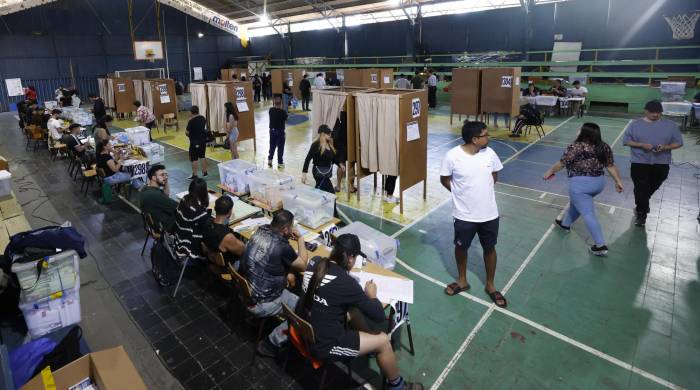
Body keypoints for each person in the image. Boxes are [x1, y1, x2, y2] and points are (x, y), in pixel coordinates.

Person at [298, 234, 424, 390]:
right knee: (384, 341)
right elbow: (378, 316)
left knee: (352, 310)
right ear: (350, 258)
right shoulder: (346, 283)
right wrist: (372, 295)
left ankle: (369, 346)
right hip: (324, 345)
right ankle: (397, 385)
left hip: (306, 327)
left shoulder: (316, 261)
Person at [440, 121, 506, 307]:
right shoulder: (452, 156)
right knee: (461, 247)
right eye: (486, 135)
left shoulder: (490, 153)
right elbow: (444, 179)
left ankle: (490, 285)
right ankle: (462, 281)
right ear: (475, 139)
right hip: (463, 215)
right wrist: (460, 194)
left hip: (489, 214)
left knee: (490, 248)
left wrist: (482, 194)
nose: (489, 138)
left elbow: (494, 176)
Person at [543, 123, 624, 256]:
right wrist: (618, 181)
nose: (578, 130)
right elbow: (610, 166)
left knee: (587, 212)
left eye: (580, 129)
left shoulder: (576, 146)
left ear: (584, 133)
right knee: (577, 204)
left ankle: (600, 245)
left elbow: (562, 163)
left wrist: (550, 171)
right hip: (598, 184)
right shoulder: (604, 146)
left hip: (580, 185)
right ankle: (565, 224)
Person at [240, 210, 309, 357]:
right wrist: (301, 240)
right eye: (291, 227)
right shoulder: (282, 247)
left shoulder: (261, 230)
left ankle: (255, 320)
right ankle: (271, 343)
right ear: (285, 229)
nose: (291, 230)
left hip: (248, 292)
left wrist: (289, 271)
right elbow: (303, 264)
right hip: (263, 301)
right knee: (303, 310)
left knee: (290, 277)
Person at [622, 100, 683, 226]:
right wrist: (641, 145)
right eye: (652, 112)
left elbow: (678, 142)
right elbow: (626, 141)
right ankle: (641, 214)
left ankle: (643, 203)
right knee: (640, 188)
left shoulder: (671, 125)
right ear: (646, 111)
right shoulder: (635, 125)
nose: (655, 115)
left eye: (658, 113)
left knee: (653, 186)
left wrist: (665, 147)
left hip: (661, 162)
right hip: (639, 162)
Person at [174, 177, 210, 260]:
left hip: (179, 236)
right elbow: (206, 226)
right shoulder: (198, 211)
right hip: (189, 243)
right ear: (203, 192)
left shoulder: (185, 198)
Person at [203, 196, 245, 266]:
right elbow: (243, 251)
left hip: (211, 261)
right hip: (227, 268)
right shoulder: (227, 236)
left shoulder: (206, 223)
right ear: (229, 212)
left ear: (215, 209)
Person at [140, 164, 178, 232]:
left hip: (156, 220)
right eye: (162, 175)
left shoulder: (146, 188)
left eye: (166, 175)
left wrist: (165, 181)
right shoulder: (155, 195)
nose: (165, 177)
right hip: (165, 226)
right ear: (153, 177)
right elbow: (177, 207)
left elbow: (166, 196)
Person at [302, 125, 336, 194]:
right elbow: (307, 159)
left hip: (326, 173)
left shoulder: (329, 144)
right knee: (331, 193)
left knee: (321, 193)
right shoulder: (315, 145)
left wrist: (340, 164)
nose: (330, 135)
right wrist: (304, 174)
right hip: (318, 172)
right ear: (323, 134)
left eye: (330, 133)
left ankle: (315, 202)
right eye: (328, 133)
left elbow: (333, 158)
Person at [332, 112, 355, 193]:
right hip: (351, 141)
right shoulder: (352, 112)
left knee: (341, 163)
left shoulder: (338, 109)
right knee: (351, 164)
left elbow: (334, 130)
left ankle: (338, 186)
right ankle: (351, 187)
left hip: (340, 142)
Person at [185, 106, 208, 179]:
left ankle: (195, 175)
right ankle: (205, 172)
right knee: (202, 156)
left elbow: (186, 132)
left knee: (194, 158)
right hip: (202, 141)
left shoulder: (191, 121)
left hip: (194, 142)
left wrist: (190, 135)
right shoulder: (203, 118)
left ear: (191, 112)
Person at [268, 95, 288, 169]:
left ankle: (270, 160)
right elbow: (286, 119)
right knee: (280, 147)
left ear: (274, 103)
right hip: (280, 132)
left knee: (272, 146)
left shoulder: (271, 110)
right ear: (281, 103)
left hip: (272, 131)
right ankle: (280, 162)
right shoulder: (283, 112)